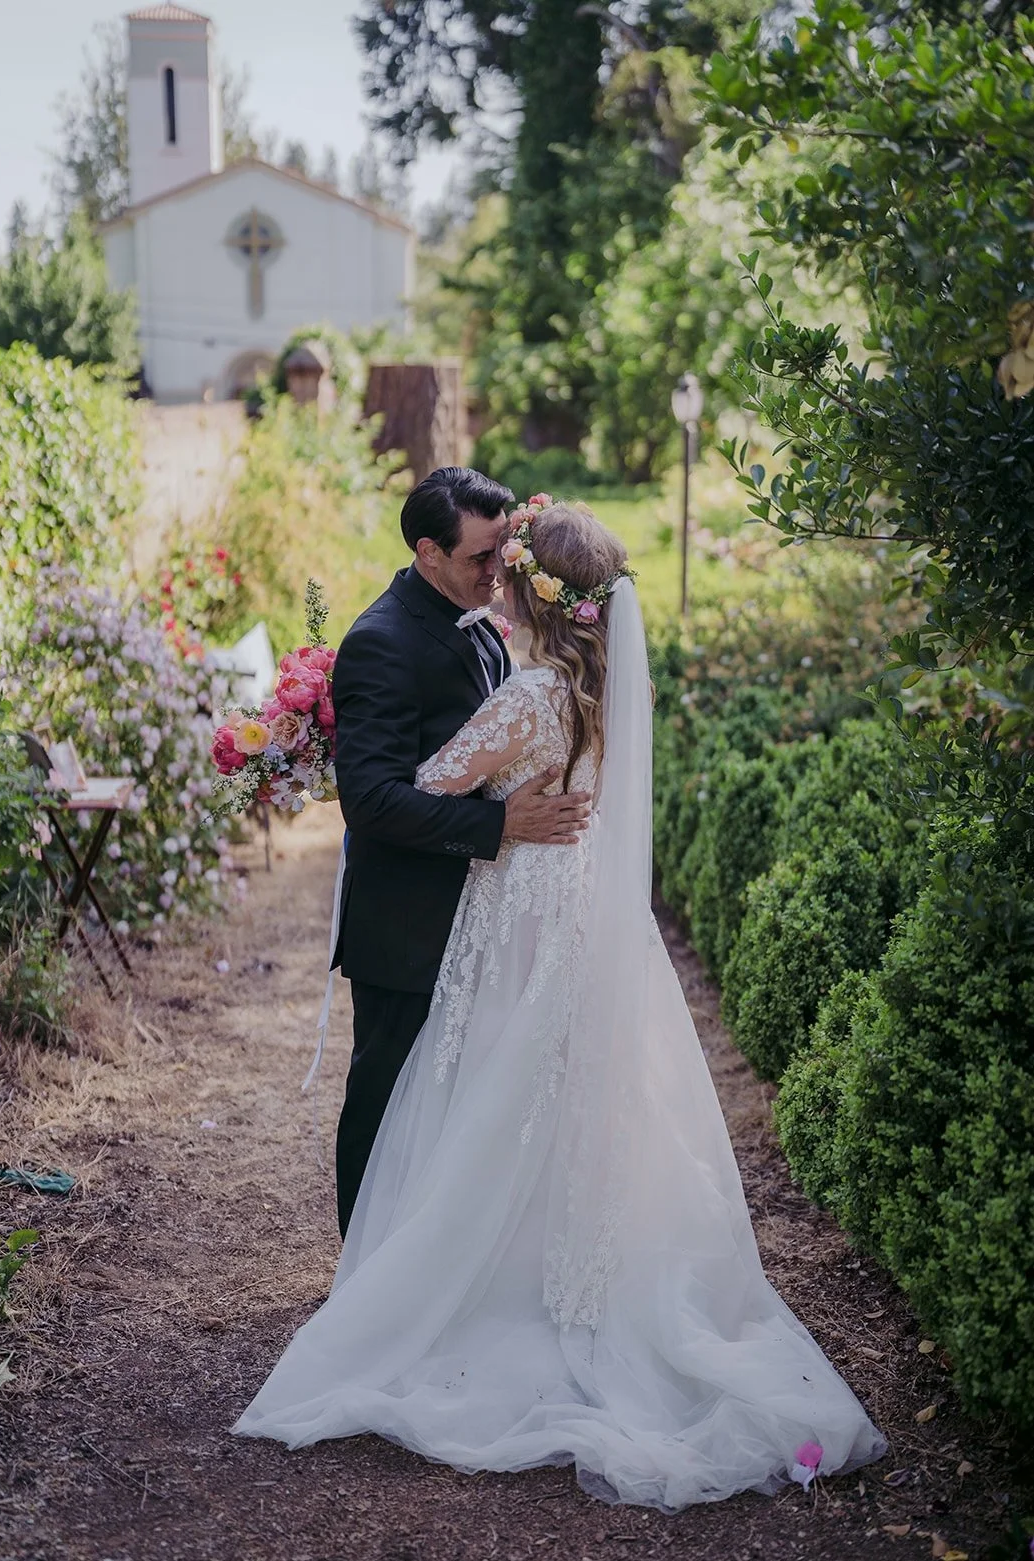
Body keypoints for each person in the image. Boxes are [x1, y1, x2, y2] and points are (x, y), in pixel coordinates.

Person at [235, 501, 886, 1509]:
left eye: (513, 564)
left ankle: (460, 1284)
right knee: (566, 1098)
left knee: (495, 1091)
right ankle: (561, 1271)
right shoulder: (602, 691)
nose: (498, 575)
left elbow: (424, 780)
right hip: (580, 912)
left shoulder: (532, 694)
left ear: (540, 592)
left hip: (519, 919)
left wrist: (359, 752)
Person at [327, 468, 591, 1236]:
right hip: (406, 920)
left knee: (446, 1110)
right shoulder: (379, 643)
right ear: (427, 551)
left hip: (482, 915)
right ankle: (361, 1279)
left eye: (504, 548)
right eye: (481, 555)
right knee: (383, 1102)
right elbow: (369, 800)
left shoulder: (478, 617)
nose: (498, 569)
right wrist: (497, 827)